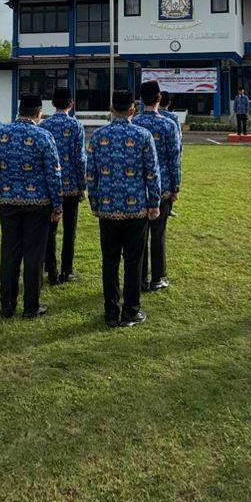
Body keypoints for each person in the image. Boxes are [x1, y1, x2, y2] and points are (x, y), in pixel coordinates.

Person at [85, 89, 160, 328]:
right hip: (136, 207)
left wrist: (95, 203)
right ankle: (130, 310)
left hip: (107, 207)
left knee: (109, 260)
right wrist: (154, 203)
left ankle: (110, 311)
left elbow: (91, 175)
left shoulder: (98, 136)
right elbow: (152, 173)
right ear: (132, 110)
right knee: (133, 260)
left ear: (111, 110)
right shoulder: (143, 135)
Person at [0, 93, 63, 319]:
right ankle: (31, 305)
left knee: (9, 254)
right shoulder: (43, 136)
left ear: (19, 110)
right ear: (38, 113)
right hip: (38, 203)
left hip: (8, 202)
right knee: (34, 255)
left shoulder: (1, 134)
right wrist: (57, 204)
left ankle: (7, 305)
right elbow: (53, 174)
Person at [132, 80, 181, 292]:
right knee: (158, 234)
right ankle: (157, 277)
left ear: (141, 99)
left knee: (139, 235)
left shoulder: (133, 123)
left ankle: (140, 277)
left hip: (137, 187)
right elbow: (174, 159)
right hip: (162, 187)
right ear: (159, 99)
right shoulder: (168, 125)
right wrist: (175, 187)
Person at [40, 86, 87, 285]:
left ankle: (51, 270)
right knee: (70, 230)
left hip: (49, 186)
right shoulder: (76, 126)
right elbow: (80, 159)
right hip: (70, 186)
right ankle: (67, 270)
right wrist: (82, 185)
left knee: (49, 230)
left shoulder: (43, 126)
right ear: (71, 104)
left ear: (52, 104)